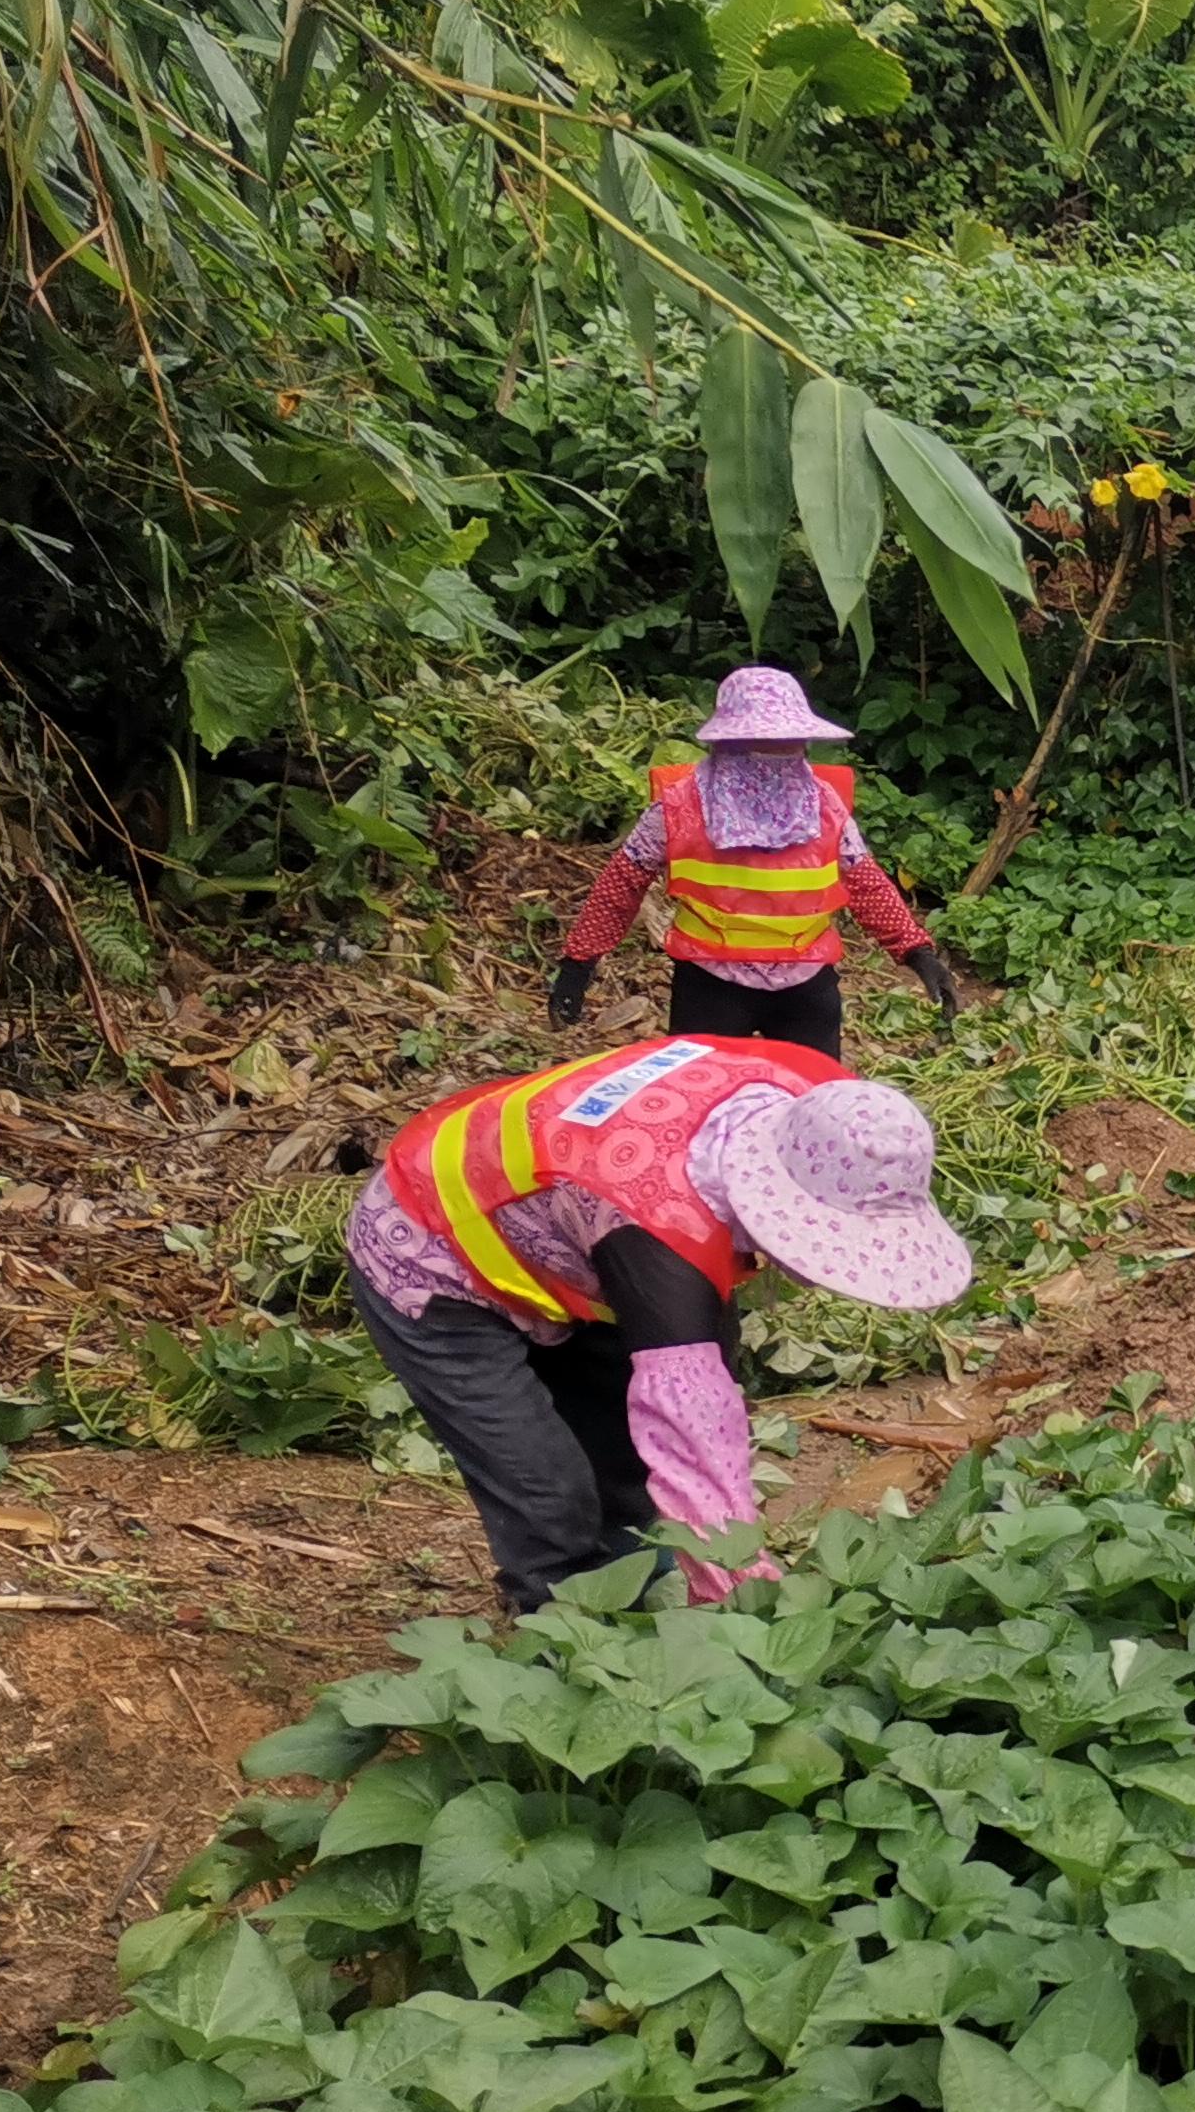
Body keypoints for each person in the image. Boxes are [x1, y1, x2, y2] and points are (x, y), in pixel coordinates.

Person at [344, 1037, 972, 1618]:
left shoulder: (827, 1105)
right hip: (426, 1245)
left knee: (624, 1461)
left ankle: (633, 1586)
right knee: (547, 1490)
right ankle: (560, 1634)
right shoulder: (657, 1228)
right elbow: (691, 1429)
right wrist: (741, 1596)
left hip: (566, 1240)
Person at [550, 666, 961, 1060]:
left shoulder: (825, 805)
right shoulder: (678, 807)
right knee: (703, 1106)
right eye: (760, 744)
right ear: (725, 745)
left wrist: (915, 951)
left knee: (809, 1106)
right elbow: (622, 882)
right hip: (711, 988)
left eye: (788, 742)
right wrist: (579, 963)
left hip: (806, 987)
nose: (776, 756)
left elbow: (864, 881)